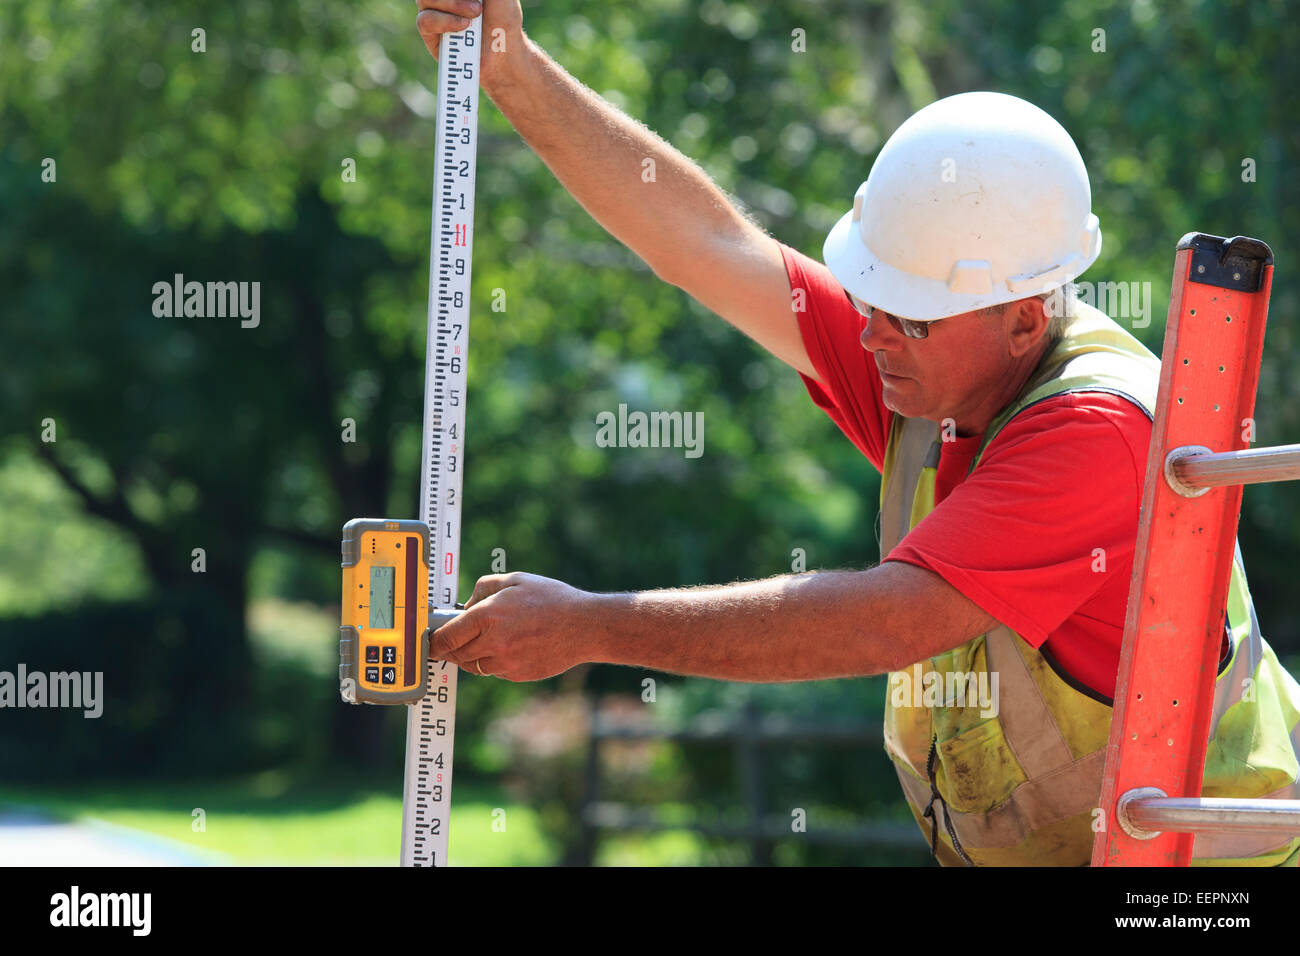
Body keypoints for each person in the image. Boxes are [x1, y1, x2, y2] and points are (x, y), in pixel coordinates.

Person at [413, 1, 1300, 865]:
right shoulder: (935, 350)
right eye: (870, 298)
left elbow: (887, 623)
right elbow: (705, 245)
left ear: (1027, 320)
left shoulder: (1096, 432)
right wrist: (514, 71)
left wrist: (591, 626)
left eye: (905, 317)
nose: (871, 332)